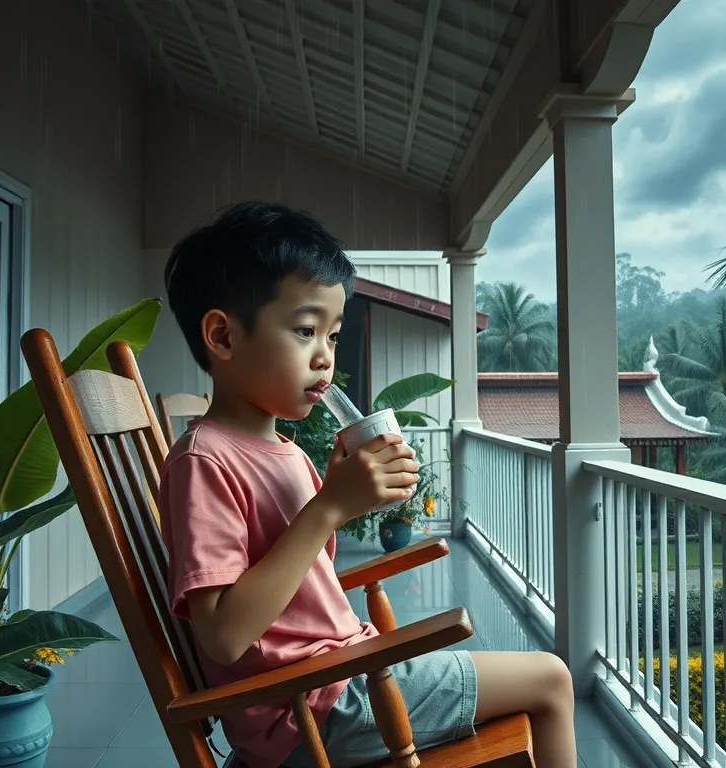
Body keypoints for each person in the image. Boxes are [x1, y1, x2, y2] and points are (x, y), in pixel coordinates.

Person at [159, 201, 576, 768]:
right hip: (318, 707)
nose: (325, 357)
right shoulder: (203, 461)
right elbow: (226, 637)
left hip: (337, 677)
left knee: (516, 694)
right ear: (223, 336)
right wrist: (328, 508)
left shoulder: (281, 450)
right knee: (550, 680)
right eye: (306, 331)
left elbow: (303, 578)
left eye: (332, 335)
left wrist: (339, 493)